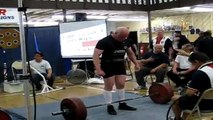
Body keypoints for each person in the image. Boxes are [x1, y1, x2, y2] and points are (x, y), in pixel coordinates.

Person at [93, 27, 140, 115]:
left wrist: (136, 63)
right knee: (109, 85)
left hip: (119, 64)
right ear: (115, 33)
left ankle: (122, 103)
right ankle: (109, 105)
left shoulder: (126, 40)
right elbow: (96, 55)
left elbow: (130, 53)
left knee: (121, 84)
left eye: (125, 37)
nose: (123, 39)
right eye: (121, 37)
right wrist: (98, 69)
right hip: (107, 65)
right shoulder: (104, 41)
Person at [171, 52, 213, 120]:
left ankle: (178, 118)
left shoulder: (200, 73)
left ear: (196, 61)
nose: (192, 66)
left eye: (192, 64)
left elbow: (189, 93)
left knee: (175, 98)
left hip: (206, 104)